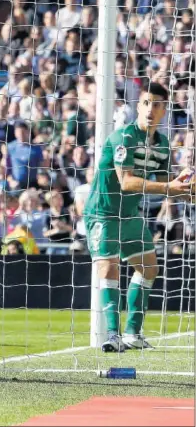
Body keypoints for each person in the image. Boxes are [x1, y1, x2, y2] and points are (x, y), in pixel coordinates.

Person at [83, 83, 194, 352]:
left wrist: (187, 188)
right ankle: (111, 334)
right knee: (108, 268)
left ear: (164, 110)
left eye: (156, 104)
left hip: (130, 215)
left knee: (148, 268)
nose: (150, 109)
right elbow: (127, 182)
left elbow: (170, 182)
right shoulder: (124, 137)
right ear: (138, 106)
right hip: (103, 213)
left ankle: (132, 332)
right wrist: (169, 187)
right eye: (146, 103)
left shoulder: (164, 145)